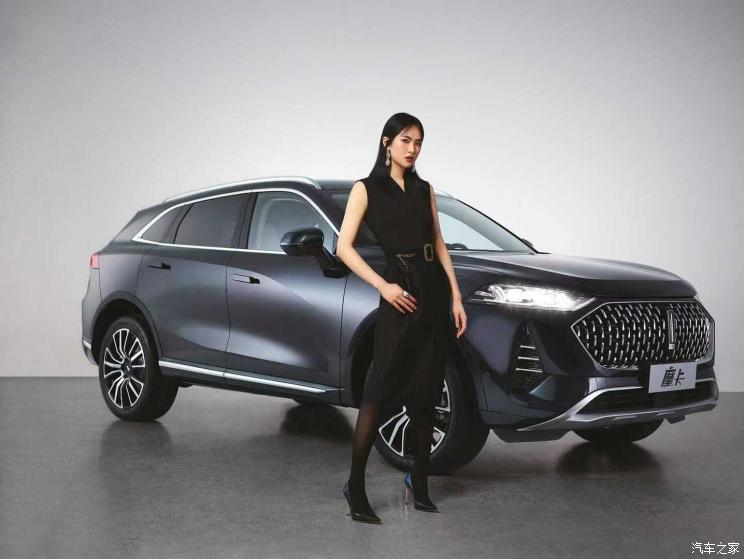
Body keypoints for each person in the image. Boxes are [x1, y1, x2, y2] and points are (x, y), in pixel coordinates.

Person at [336, 112, 467, 524]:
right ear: (387, 142)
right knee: (378, 391)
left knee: (426, 391)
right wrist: (384, 286)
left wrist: (456, 296)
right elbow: (343, 247)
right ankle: (355, 486)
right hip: (400, 292)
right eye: (406, 140)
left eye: (419, 143)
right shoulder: (365, 189)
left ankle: (418, 482)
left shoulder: (425, 189)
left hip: (434, 291)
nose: (413, 149)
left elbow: (439, 243)